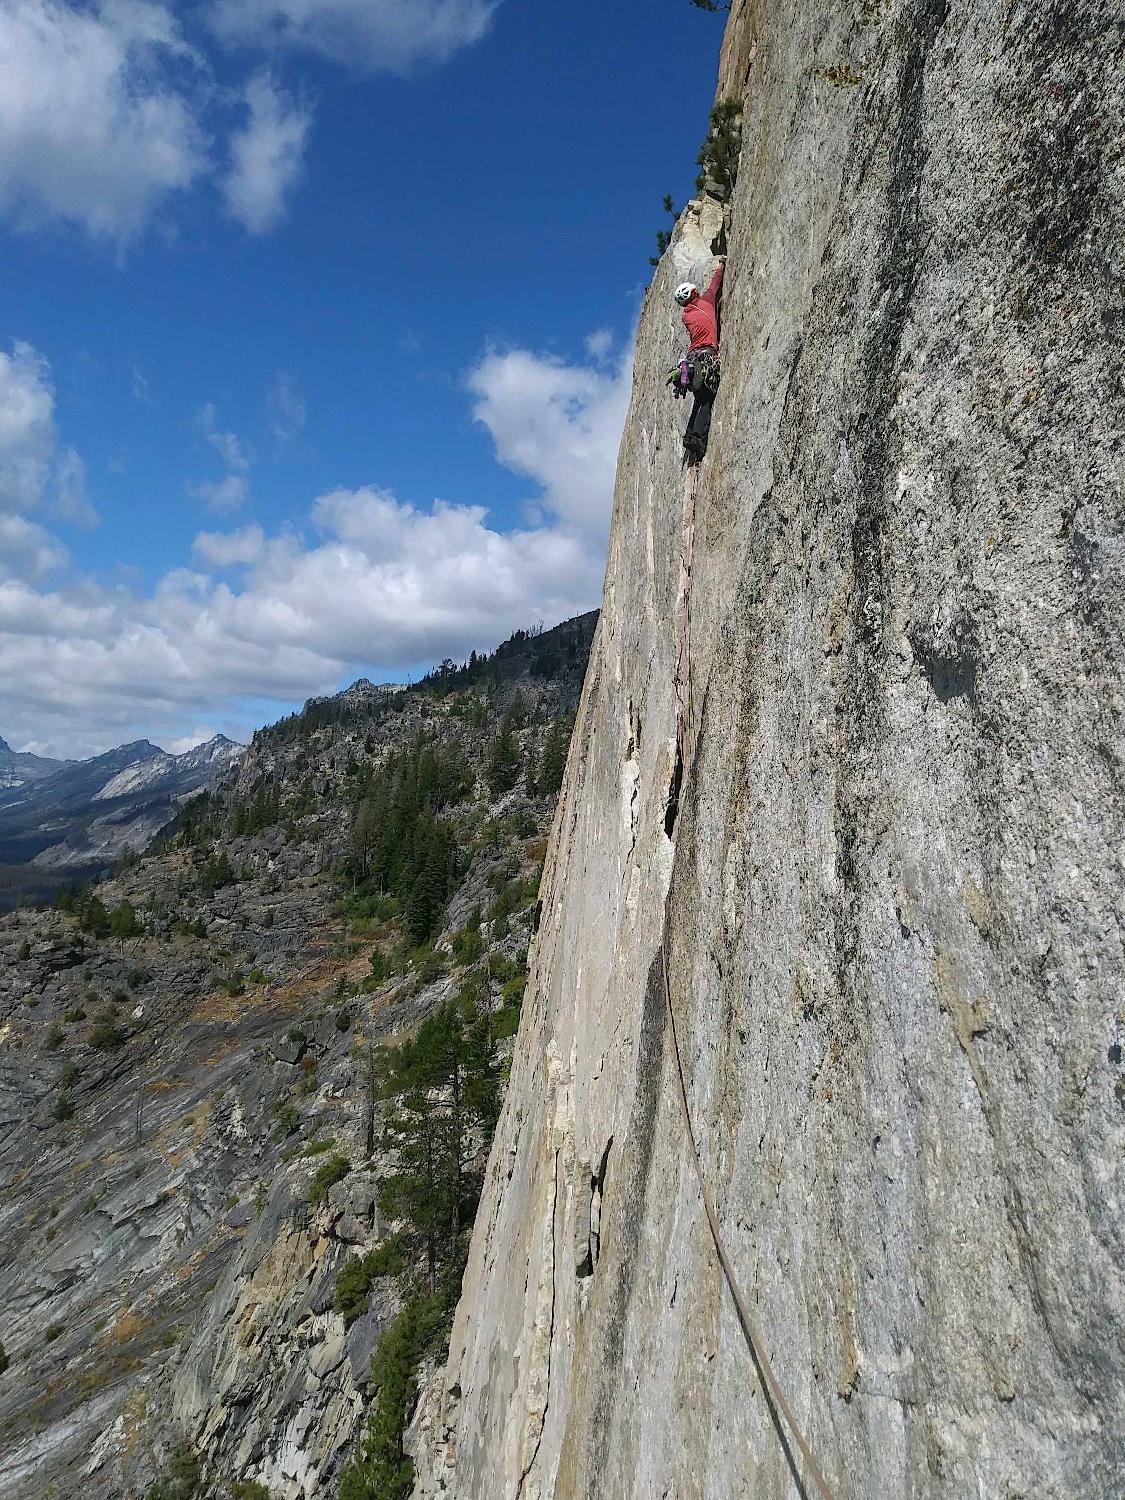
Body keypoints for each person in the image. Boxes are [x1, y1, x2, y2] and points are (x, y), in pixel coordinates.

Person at [674, 257, 725, 460]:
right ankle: (696, 438)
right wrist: (721, 265)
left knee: (699, 397)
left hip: (692, 360)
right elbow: (715, 283)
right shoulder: (706, 302)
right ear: (694, 293)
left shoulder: (686, 316)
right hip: (706, 358)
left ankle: (689, 434)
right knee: (706, 399)